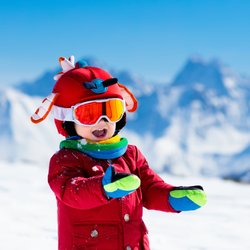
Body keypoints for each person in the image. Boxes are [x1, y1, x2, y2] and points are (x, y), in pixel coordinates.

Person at [31, 56, 207, 250]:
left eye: (112, 111)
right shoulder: (65, 159)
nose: (103, 121)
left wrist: (171, 198)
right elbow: (72, 192)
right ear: (68, 120)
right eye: (89, 114)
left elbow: (149, 188)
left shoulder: (130, 155)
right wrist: (103, 187)